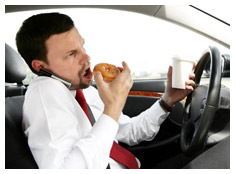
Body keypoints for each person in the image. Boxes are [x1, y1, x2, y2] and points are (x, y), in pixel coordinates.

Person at [16, 12, 195, 169]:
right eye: (71, 54)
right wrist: (113, 107)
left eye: (82, 46)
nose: (87, 57)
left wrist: (168, 100)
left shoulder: (81, 90)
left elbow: (130, 132)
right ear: (41, 66)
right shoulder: (44, 91)